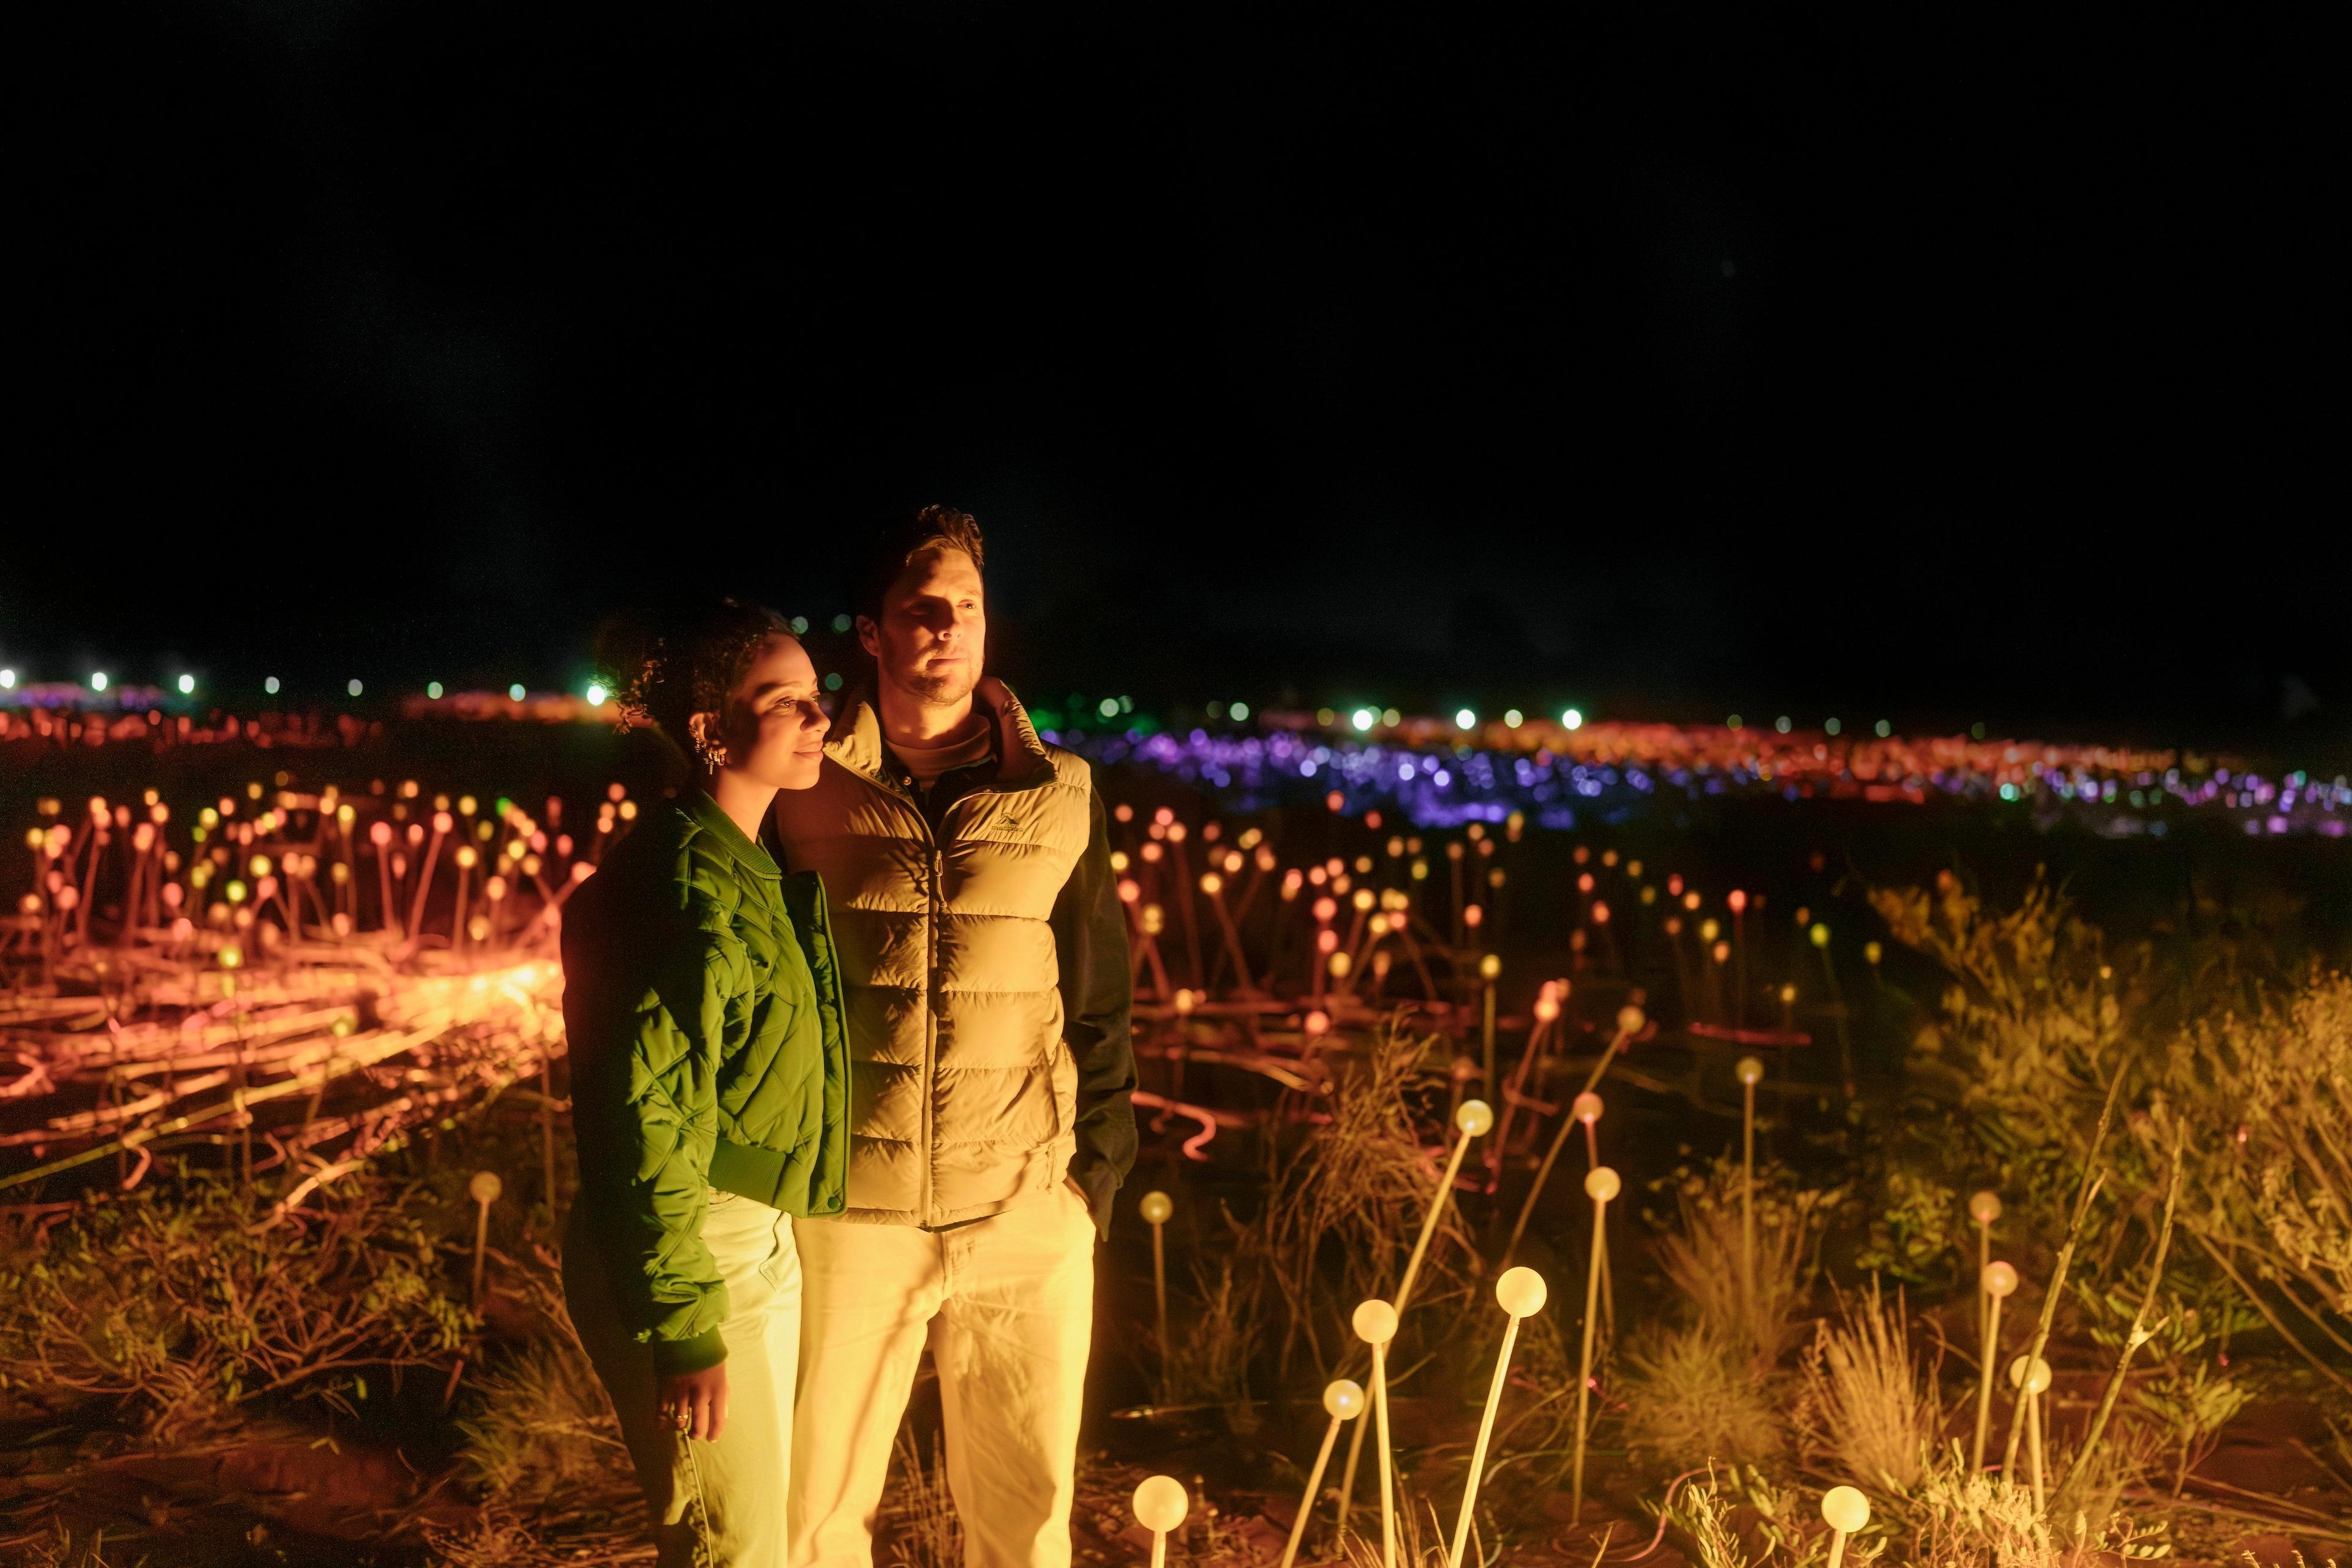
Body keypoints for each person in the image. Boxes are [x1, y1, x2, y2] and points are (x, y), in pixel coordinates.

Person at [769, 507, 1136, 1568]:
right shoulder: (802, 783)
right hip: (850, 1214)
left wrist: (1091, 1180)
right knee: (814, 1523)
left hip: (1023, 1205)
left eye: (965, 606)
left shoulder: (1060, 794)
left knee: (1026, 1525)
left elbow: (1101, 997)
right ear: (871, 633)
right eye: (918, 608)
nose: (946, 626)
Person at [559, 600, 850, 1567]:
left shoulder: (744, 860)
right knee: (733, 1547)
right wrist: (685, 1325)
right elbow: (641, 1118)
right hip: (693, 1250)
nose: (820, 720)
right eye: (788, 702)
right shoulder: (678, 886)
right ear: (708, 728)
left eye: (820, 699)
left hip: (752, 1240)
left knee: (761, 1535)